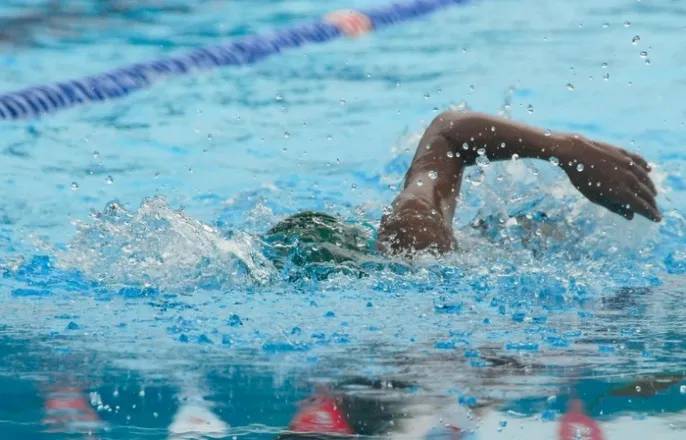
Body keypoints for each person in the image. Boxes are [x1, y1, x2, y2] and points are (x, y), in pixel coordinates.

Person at [264, 110, 660, 265]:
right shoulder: (412, 242)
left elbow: (451, 132)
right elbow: (448, 133)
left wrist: (568, 149)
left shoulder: (411, 236)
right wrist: (565, 148)